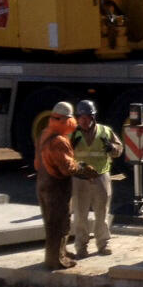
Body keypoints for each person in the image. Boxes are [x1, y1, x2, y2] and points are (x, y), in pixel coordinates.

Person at [36, 101, 95, 270]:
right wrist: (84, 169)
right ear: (66, 120)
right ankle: (55, 259)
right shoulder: (59, 141)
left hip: (43, 182)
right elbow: (67, 167)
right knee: (58, 223)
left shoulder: (43, 134)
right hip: (55, 186)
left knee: (52, 222)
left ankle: (60, 252)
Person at [69, 99, 123, 258]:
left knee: (102, 213)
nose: (84, 121)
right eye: (81, 118)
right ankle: (81, 247)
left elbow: (119, 150)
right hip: (79, 179)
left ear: (93, 117)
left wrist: (112, 148)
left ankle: (103, 244)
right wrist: (69, 146)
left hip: (100, 177)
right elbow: (63, 155)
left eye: (87, 117)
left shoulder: (105, 131)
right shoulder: (72, 134)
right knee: (80, 215)